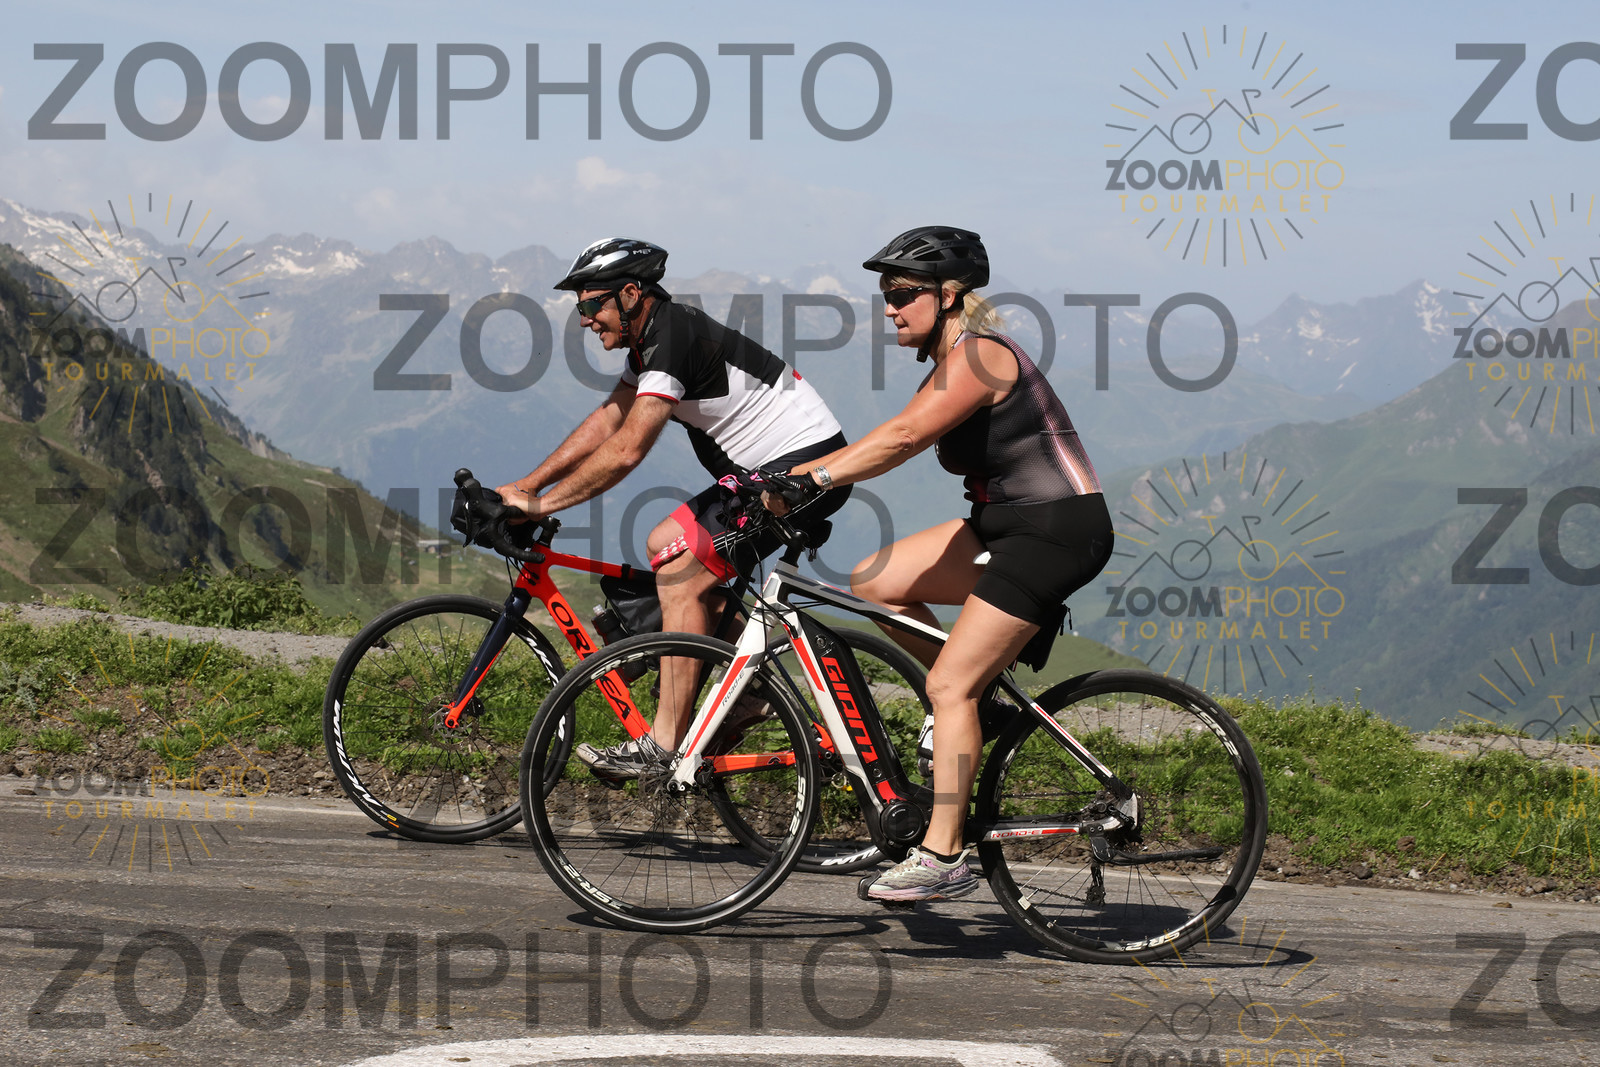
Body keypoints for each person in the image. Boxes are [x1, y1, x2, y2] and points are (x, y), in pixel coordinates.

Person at [768, 226, 1113, 901]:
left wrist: (809, 479)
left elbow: (901, 438)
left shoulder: (983, 356)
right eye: (886, 295)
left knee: (949, 686)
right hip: (1001, 526)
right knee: (877, 579)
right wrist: (778, 478)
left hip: (1054, 532)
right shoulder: (950, 361)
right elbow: (887, 437)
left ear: (949, 294)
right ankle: (977, 703)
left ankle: (944, 853)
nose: (890, 307)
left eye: (902, 293)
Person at [496, 237, 850, 778]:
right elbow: (610, 418)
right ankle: (750, 691)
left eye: (591, 305)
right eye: (579, 308)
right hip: (766, 473)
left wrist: (542, 506)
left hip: (803, 472)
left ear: (630, 294)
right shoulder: (651, 341)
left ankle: (663, 745)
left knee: (683, 573)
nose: (585, 320)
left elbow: (627, 449)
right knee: (664, 543)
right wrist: (528, 485)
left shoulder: (672, 336)